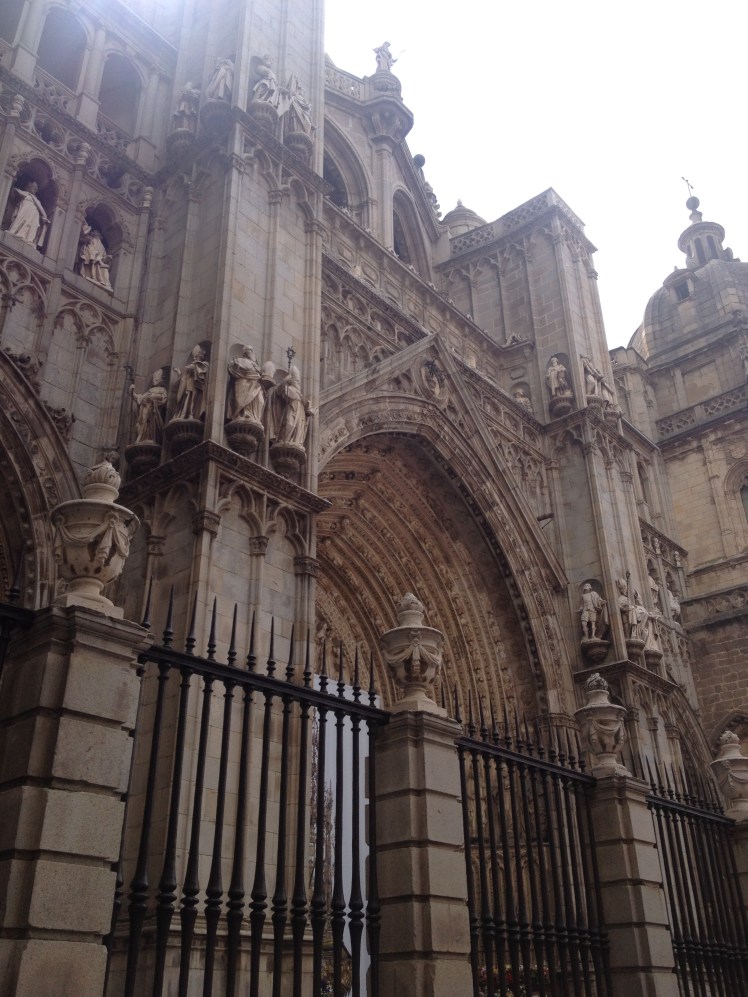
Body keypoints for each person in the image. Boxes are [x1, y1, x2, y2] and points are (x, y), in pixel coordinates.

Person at [269, 364, 312, 447]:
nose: (298, 383)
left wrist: (308, 407)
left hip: (300, 412)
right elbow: (279, 391)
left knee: (298, 428)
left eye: (299, 381)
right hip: (291, 409)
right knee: (289, 424)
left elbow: (303, 402)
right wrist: (285, 381)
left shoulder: (299, 393)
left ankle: (295, 441)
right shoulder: (289, 388)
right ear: (291, 380)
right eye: (296, 380)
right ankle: (283, 440)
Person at [227, 345, 265, 423]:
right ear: (246, 352)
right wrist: (235, 364)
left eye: (252, 350)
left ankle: (255, 417)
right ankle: (242, 414)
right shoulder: (240, 361)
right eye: (250, 350)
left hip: (256, 386)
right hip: (244, 385)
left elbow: (259, 376)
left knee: (261, 401)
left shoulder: (256, 366)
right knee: (244, 401)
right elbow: (232, 369)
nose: (252, 352)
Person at [7, 180, 49, 247]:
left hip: (34, 214)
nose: (34, 189)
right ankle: (14, 231)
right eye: (33, 187)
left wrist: (44, 218)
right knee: (20, 219)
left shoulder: (37, 200)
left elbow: (41, 209)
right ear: (28, 187)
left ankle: (28, 239)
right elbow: (16, 190)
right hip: (25, 210)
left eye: (35, 189)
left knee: (32, 225)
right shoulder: (26, 194)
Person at [130, 369, 167, 443]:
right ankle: (142, 437)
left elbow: (164, 399)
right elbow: (139, 398)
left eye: (156, 379)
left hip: (153, 410)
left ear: (160, 380)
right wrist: (132, 391)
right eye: (153, 379)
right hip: (145, 408)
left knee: (148, 420)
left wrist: (153, 396)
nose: (154, 381)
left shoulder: (162, 389)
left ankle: (146, 437)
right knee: (143, 421)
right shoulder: (150, 390)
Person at [173, 346, 209, 420]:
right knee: (185, 398)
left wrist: (193, 366)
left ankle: (191, 414)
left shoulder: (203, 364)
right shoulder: (192, 365)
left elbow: (202, 369)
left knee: (192, 398)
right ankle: (183, 414)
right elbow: (183, 376)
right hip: (187, 384)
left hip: (195, 384)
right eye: (195, 357)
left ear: (201, 356)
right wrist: (178, 371)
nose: (195, 358)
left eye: (197, 357)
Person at [78, 223, 112, 288]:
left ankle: (100, 281)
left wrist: (107, 258)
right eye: (95, 232)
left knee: (103, 268)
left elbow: (104, 256)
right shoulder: (91, 239)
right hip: (90, 257)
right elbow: (83, 236)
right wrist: (88, 227)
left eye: (98, 233)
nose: (97, 234)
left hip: (99, 261)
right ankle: (92, 277)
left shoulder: (102, 246)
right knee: (95, 262)